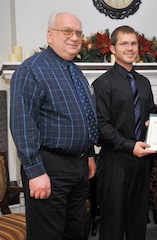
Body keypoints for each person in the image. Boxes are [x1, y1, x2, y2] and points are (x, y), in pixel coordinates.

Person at [10, 12, 98, 240]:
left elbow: (85, 117)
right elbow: (22, 123)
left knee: (75, 232)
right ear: (50, 36)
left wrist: (88, 154)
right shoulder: (31, 69)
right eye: (67, 31)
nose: (75, 37)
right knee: (48, 235)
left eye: (78, 32)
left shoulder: (76, 71)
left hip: (78, 168)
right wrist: (36, 172)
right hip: (49, 167)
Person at [92, 25, 157, 240]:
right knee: (113, 223)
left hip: (142, 162)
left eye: (134, 43)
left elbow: (149, 116)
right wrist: (130, 146)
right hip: (115, 163)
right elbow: (101, 127)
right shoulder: (102, 84)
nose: (130, 48)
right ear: (112, 48)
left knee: (138, 222)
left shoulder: (144, 83)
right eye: (124, 44)